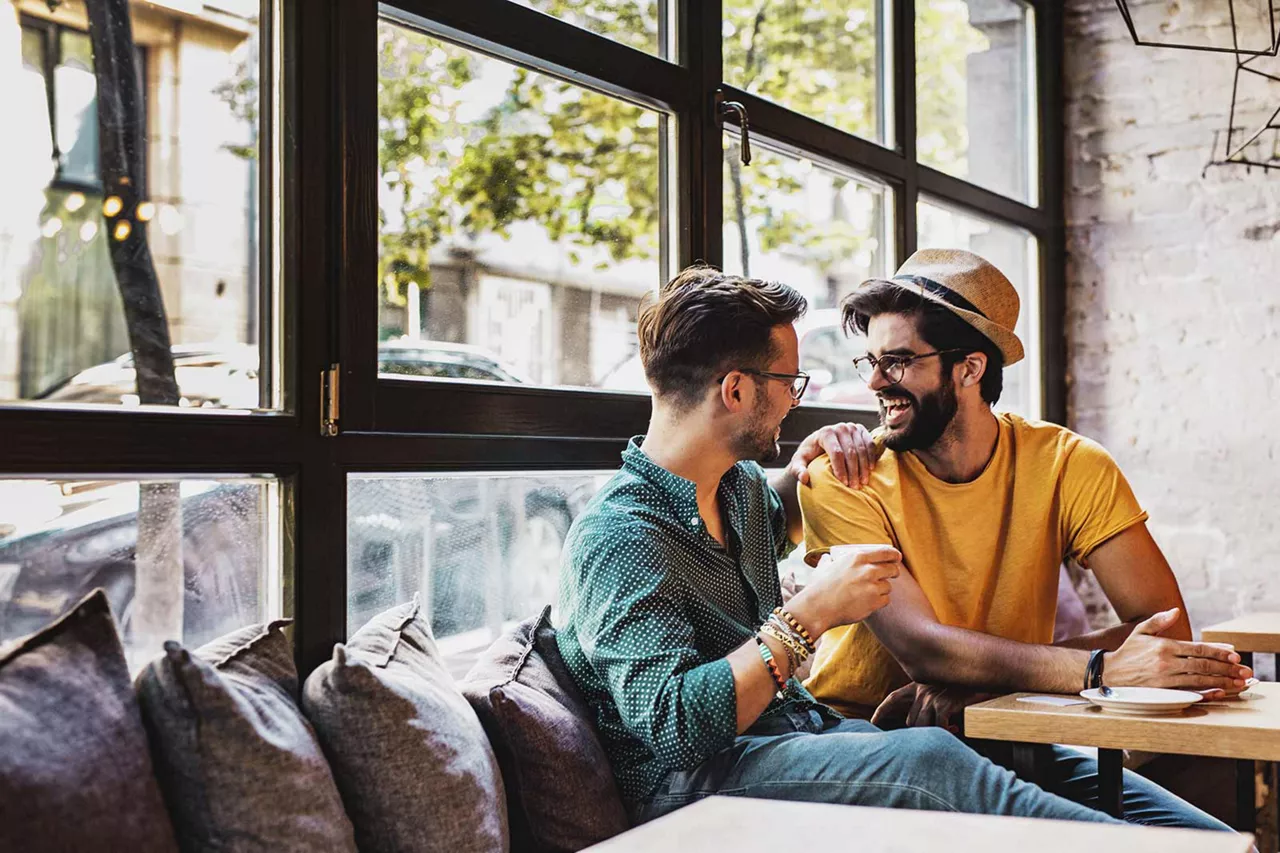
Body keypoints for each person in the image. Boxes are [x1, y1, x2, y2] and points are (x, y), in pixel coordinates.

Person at [554, 264, 1126, 827]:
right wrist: (810, 613)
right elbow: (673, 728)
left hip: (795, 735)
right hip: (695, 784)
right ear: (735, 390)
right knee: (927, 759)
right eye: (788, 383)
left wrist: (818, 459)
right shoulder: (622, 536)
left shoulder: (740, 492)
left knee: (993, 757)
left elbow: (776, 525)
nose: (795, 402)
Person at [798, 248, 1249, 830]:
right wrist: (1093, 669)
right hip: (869, 734)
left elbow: (1162, 624)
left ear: (970, 367)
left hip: (1007, 722)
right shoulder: (845, 474)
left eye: (899, 361)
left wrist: (990, 689)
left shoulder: (1067, 463)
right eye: (872, 361)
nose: (875, 382)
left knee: (1209, 842)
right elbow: (924, 649)